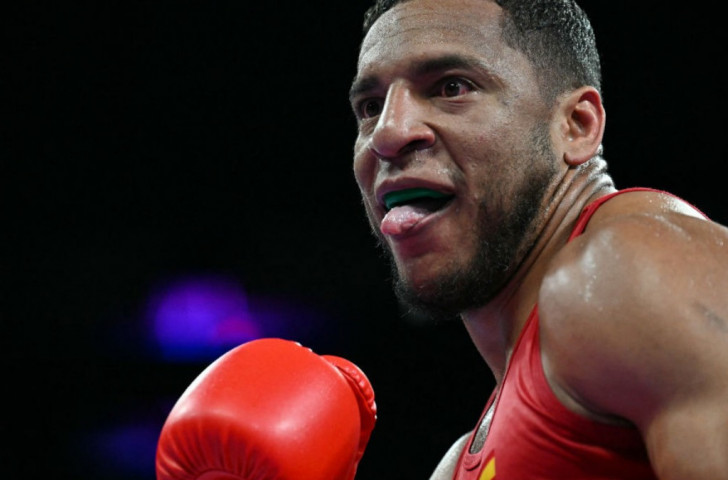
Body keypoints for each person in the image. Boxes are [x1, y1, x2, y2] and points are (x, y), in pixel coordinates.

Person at [348, 0, 728, 478]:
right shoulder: (463, 459)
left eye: (451, 87)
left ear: (576, 125)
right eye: (369, 107)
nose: (388, 133)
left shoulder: (629, 269)